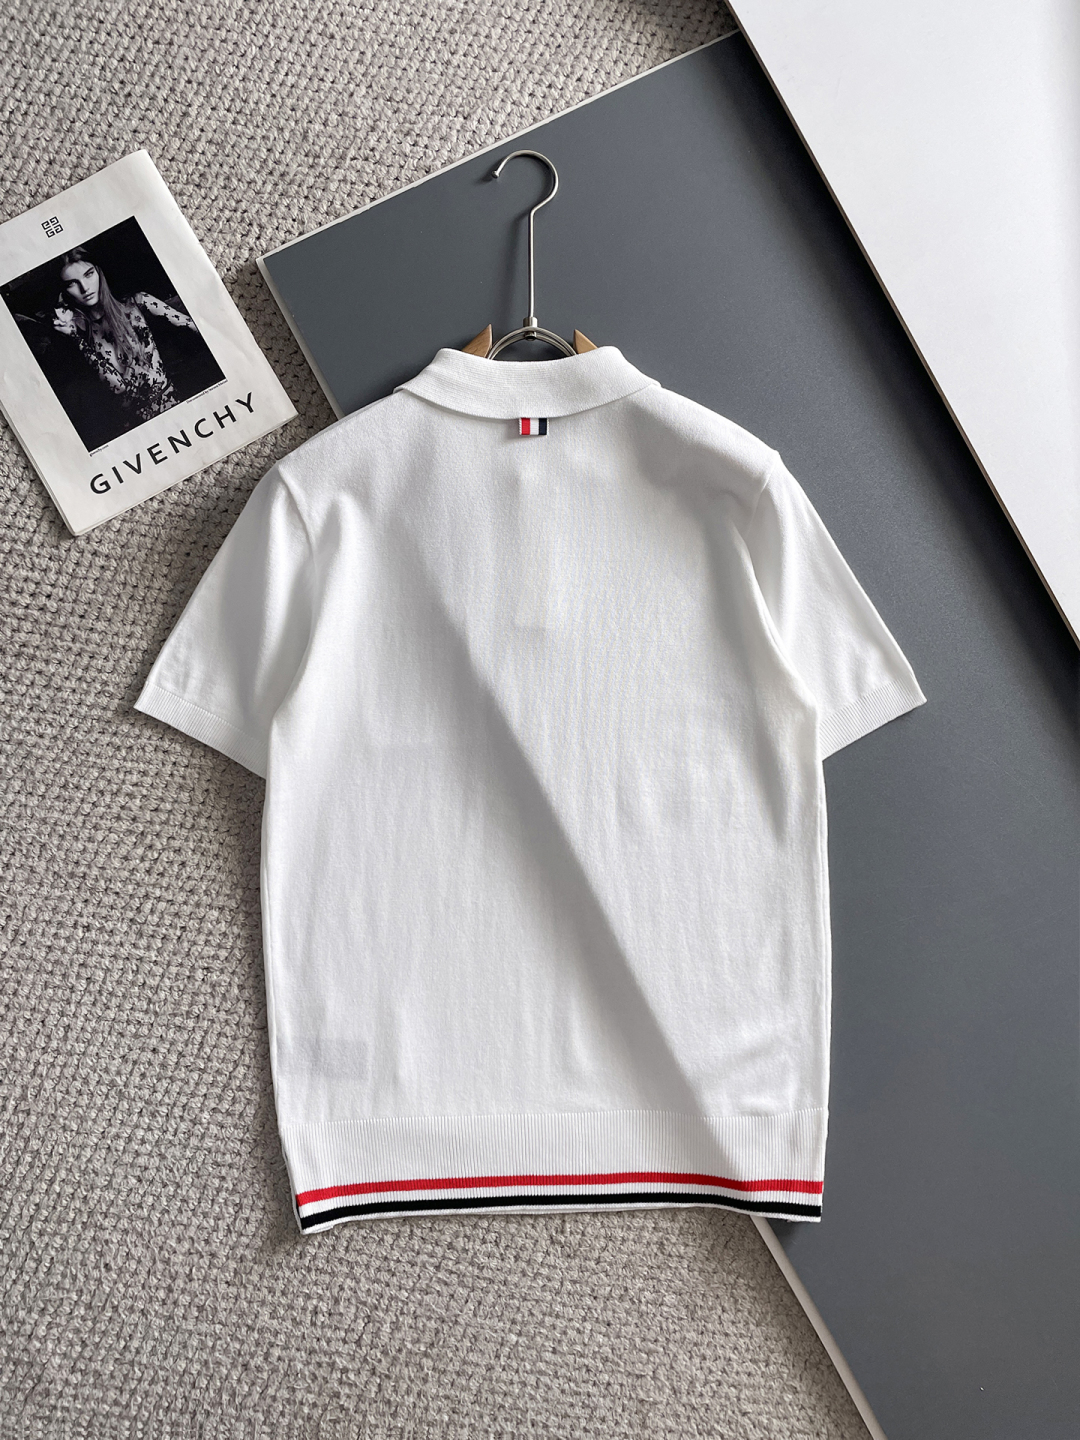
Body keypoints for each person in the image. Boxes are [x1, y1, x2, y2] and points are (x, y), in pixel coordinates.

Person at [51, 248, 198, 425]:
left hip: (175, 408)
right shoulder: (79, 333)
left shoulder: (137, 303)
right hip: (135, 427)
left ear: (99, 272)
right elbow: (118, 387)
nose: (85, 288)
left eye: (89, 274)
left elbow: (192, 324)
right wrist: (76, 338)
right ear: (64, 292)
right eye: (72, 284)